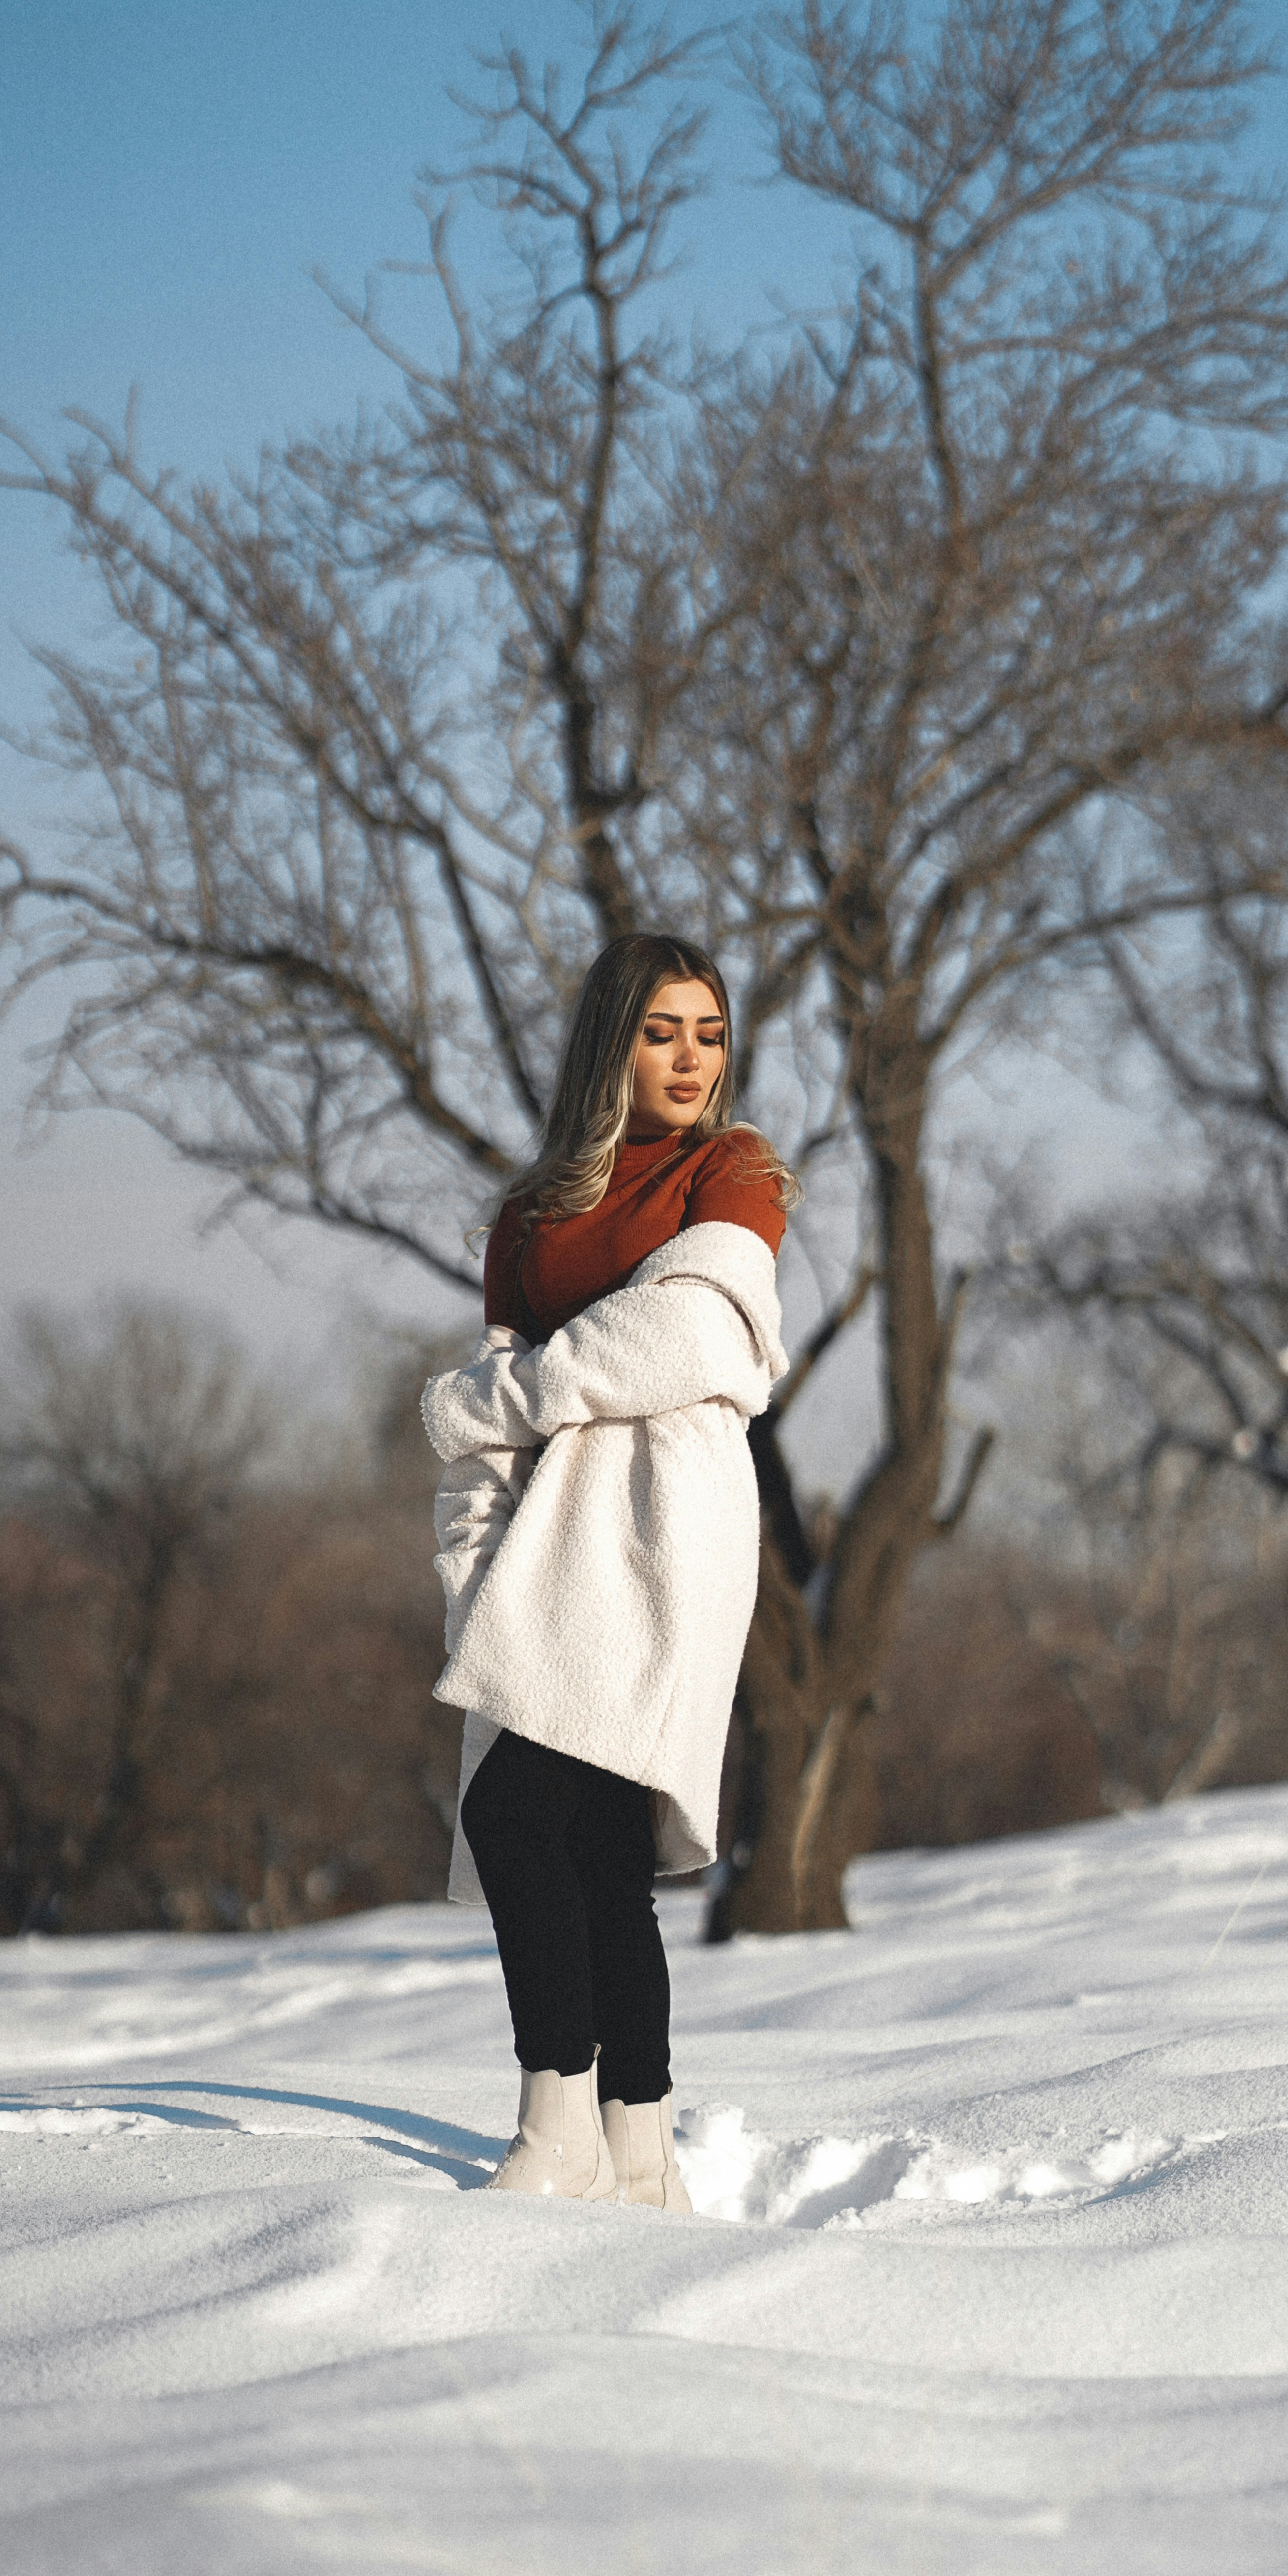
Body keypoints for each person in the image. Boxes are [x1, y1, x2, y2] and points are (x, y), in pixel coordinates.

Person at [420, 934, 795, 2210]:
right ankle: (640, 2151)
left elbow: (685, 1337)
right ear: (609, 1044)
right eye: (661, 1032)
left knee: (512, 1816)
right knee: (591, 1841)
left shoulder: (731, 1171)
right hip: (541, 1549)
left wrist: (504, 1399)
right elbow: (482, 1452)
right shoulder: (531, 1216)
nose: (692, 1059)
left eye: (709, 1033)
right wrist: (471, 1579)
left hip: (666, 1531)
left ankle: (555, 2128)